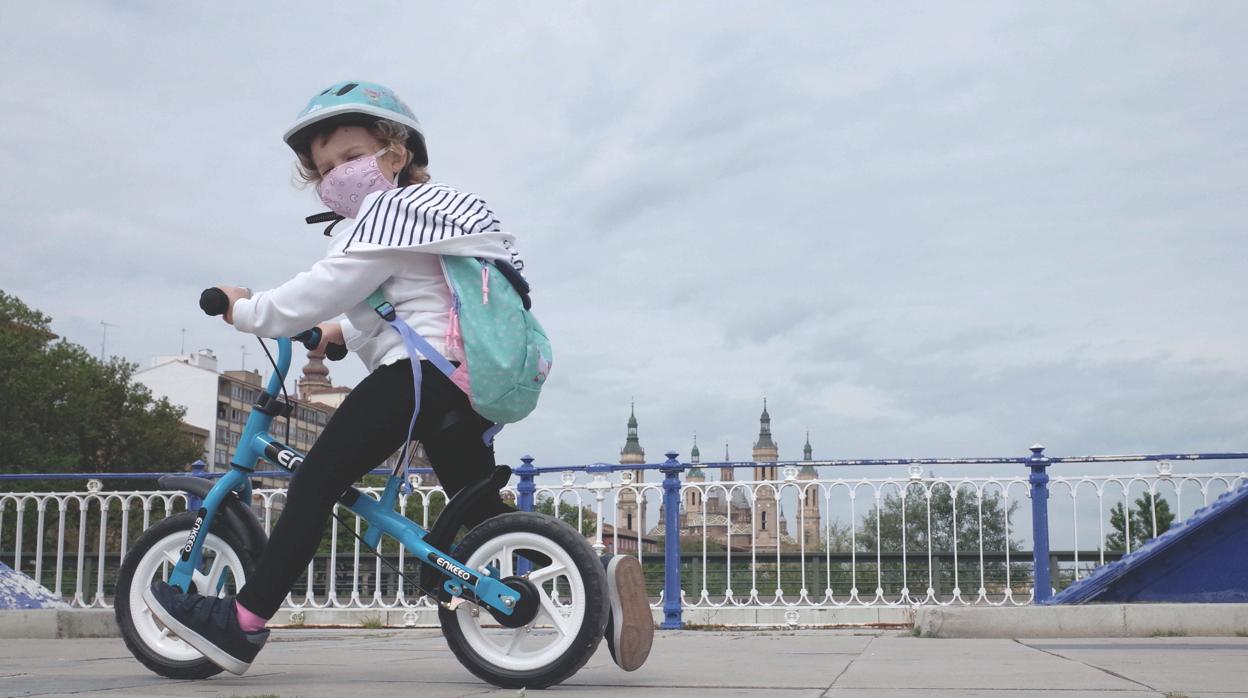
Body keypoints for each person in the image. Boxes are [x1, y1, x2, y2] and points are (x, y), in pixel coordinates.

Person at [144, 80, 653, 676]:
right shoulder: (430, 215)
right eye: (326, 166)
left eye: (351, 156)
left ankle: (241, 623)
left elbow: (321, 287)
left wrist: (245, 309)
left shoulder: (388, 214)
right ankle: (592, 585)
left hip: (416, 376)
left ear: (396, 151)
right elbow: (411, 297)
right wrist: (336, 333)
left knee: (314, 484)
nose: (339, 173)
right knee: (483, 511)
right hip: (461, 382)